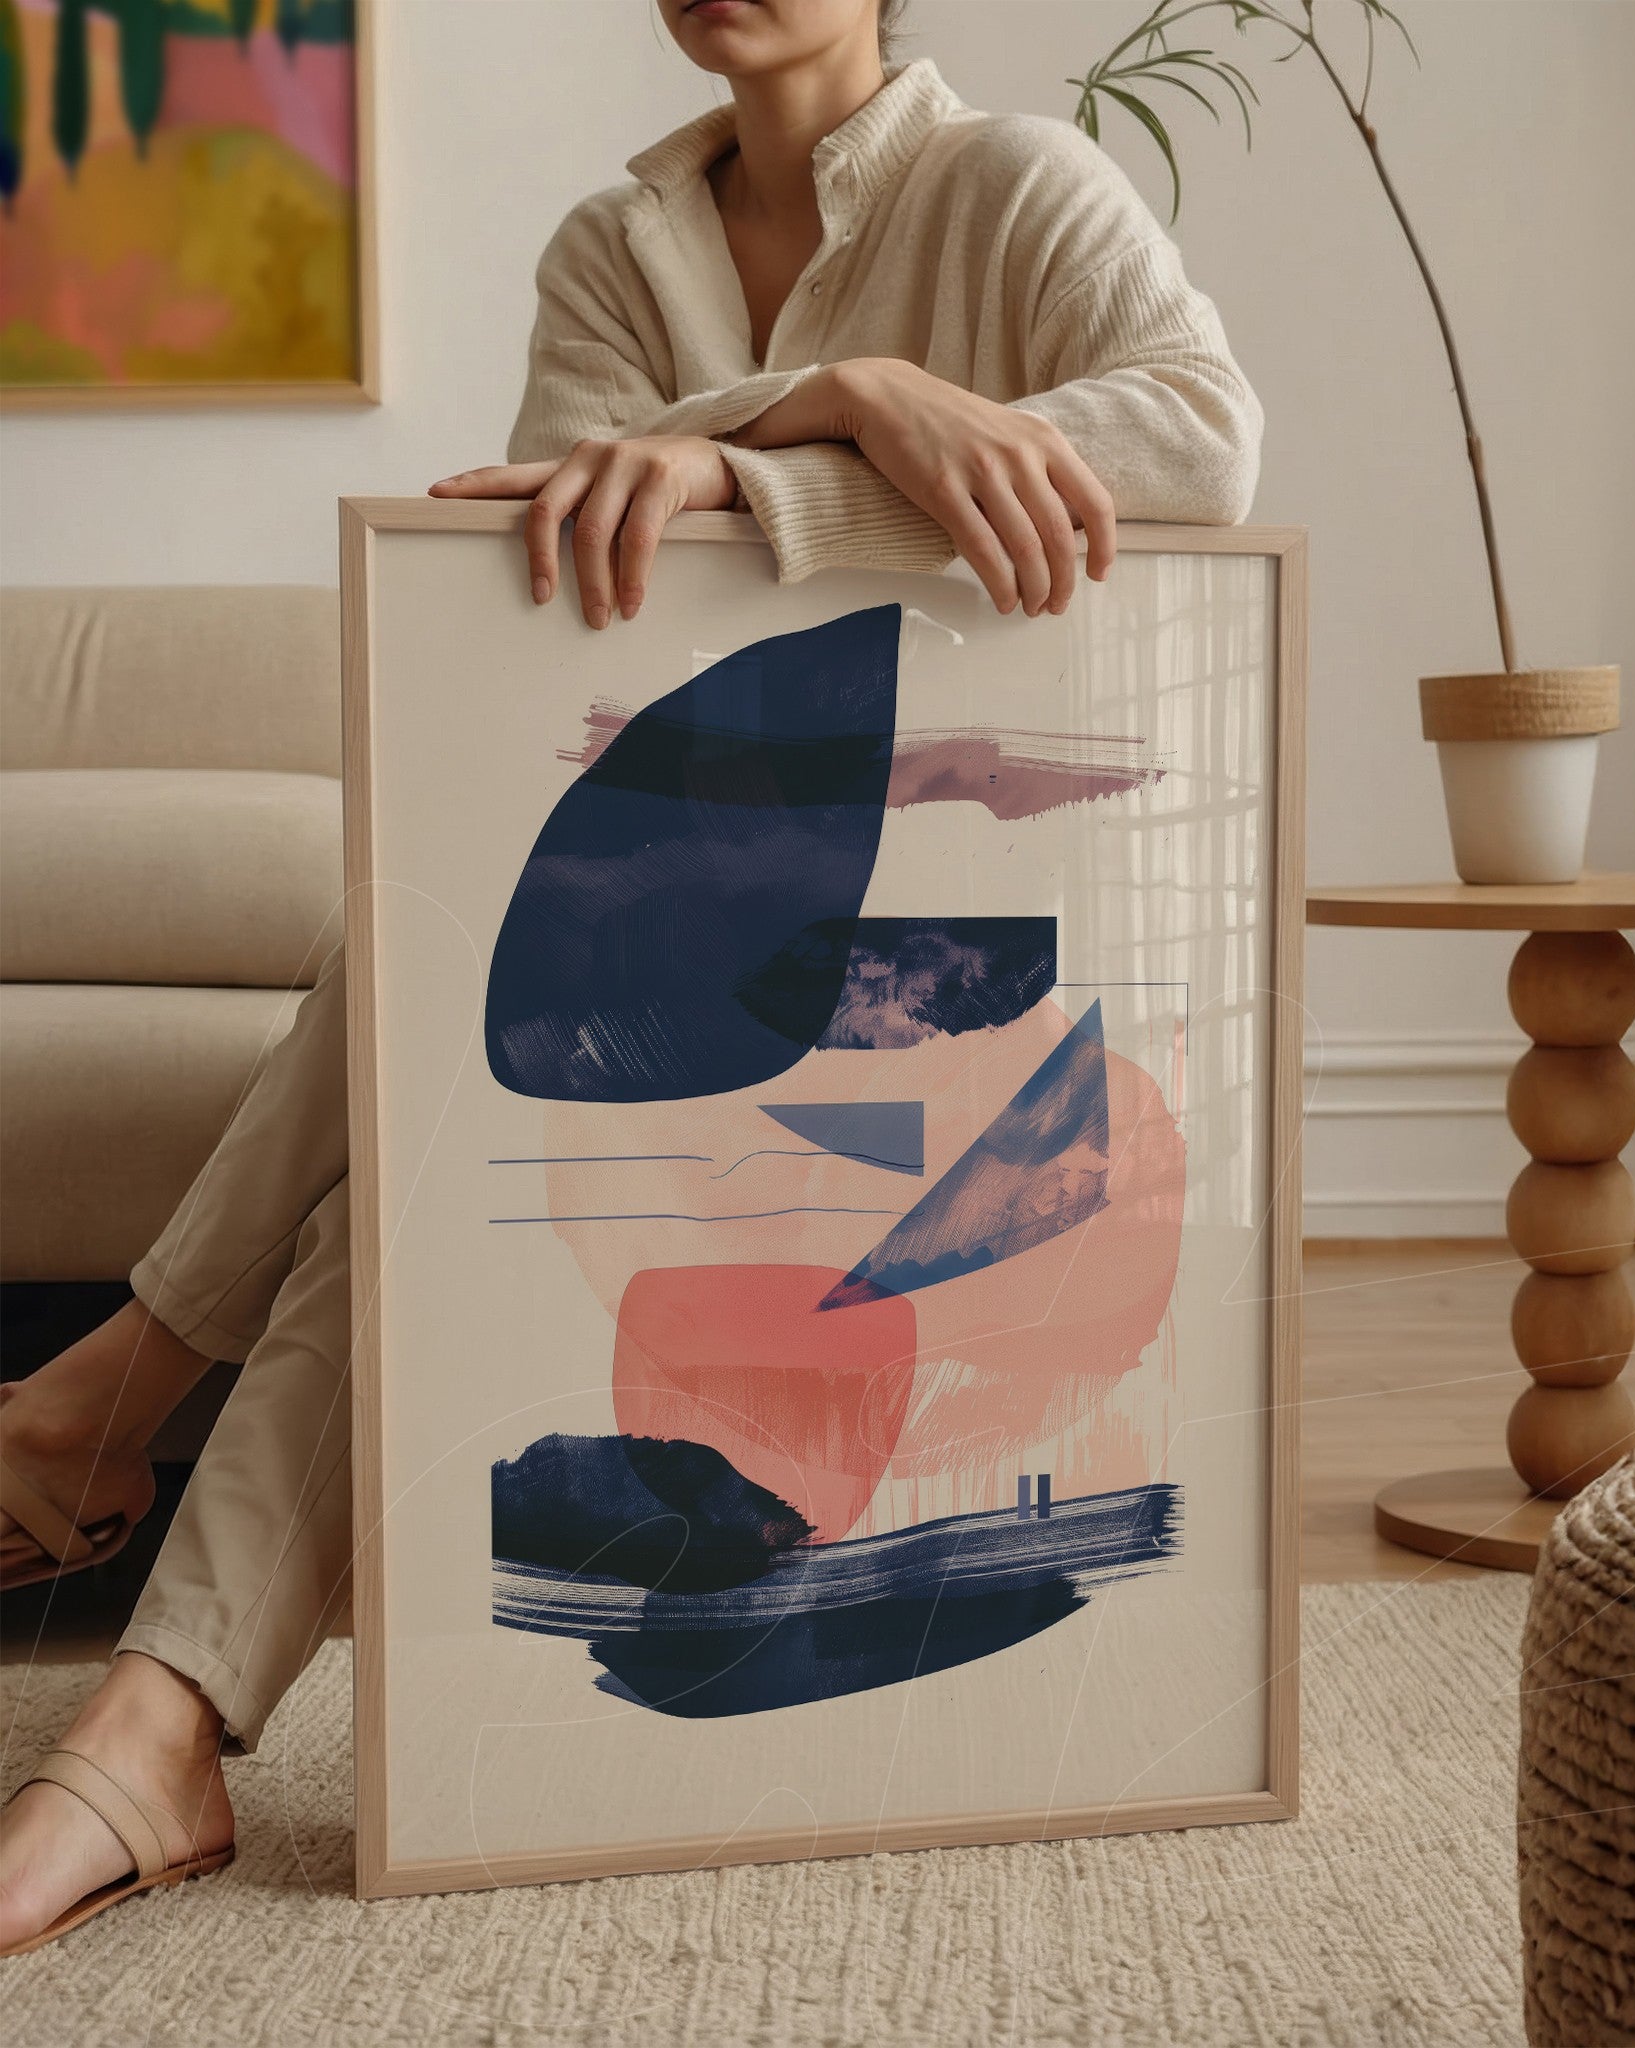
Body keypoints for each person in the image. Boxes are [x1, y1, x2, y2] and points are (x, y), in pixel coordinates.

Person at [0, 0, 1259, 1953]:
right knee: (440, 1010)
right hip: (673, 896)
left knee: (441, 949)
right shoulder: (614, 244)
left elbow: (1197, 436)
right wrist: (852, 398)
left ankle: (113, 1414)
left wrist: (786, 442)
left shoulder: (1015, 183)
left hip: (957, 908)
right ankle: (159, 1717)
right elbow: (544, 557)